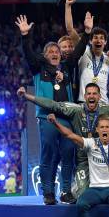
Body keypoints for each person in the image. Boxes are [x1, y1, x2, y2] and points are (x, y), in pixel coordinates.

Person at [16, 14, 90, 205]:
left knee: (68, 153)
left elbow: (79, 50)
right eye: (50, 51)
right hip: (46, 117)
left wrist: (87, 33)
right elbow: (28, 53)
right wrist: (25, 36)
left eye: (57, 50)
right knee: (48, 154)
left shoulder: (66, 67)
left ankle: (66, 191)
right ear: (45, 56)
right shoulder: (38, 68)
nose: (55, 53)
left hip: (66, 117)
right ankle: (48, 193)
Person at [16, 83, 109, 199]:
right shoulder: (76, 110)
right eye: (89, 94)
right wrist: (27, 96)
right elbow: (53, 105)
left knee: (107, 192)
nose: (91, 96)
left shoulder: (108, 108)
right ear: (85, 96)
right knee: (83, 196)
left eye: (94, 94)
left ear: (99, 96)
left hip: (103, 158)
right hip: (83, 159)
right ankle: (75, 188)